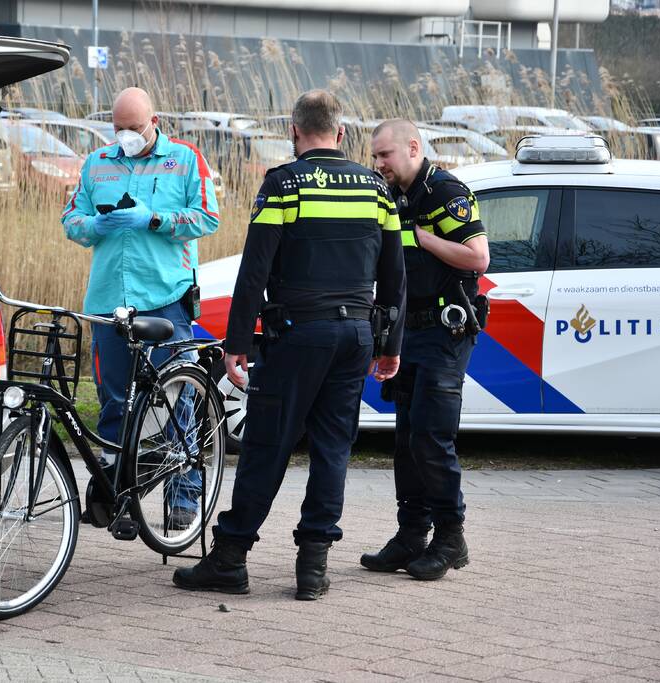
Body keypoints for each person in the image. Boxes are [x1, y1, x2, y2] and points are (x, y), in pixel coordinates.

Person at [172, 90, 406, 600]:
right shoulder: (375, 189)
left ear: (294, 132)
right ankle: (313, 567)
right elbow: (394, 277)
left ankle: (231, 559)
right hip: (356, 337)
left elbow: (255, 269)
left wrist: (236, 342)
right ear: (341, 134)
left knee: (266, 446)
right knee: (332, 450)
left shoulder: (282, 185)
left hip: (298, 334)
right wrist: (389, 344)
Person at [62, 87, 220, 529]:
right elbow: (71, 220)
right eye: (118, 128)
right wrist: (94, 224)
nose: (125, 135)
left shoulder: (185, 159)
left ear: (154, 120)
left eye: (133, 127)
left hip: (166, 297)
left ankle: (184, 494)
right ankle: (118, 497)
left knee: (178, 396)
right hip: (110, 299)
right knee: (116, 400)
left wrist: (154, 219)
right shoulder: (98, 163)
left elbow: (208, 217)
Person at [361, 119, 490, 581]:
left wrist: (423, 238)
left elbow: (479, 257)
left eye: (384, 156)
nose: (378, 164)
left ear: (413, 148)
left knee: (431, 437)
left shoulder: (445, 191)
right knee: (405, 440)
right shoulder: (389, 193)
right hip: (407, 330)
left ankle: (451, 539)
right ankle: (411, 534)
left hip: (445, 329)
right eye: (375, 157)